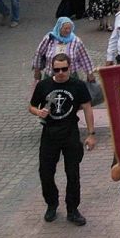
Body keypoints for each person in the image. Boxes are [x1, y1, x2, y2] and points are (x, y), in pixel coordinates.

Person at [29, 52, 96, 225]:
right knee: (45, 172)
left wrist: (90, 134)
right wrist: (38, 112)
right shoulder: (44, 85)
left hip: (70, 133)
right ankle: (52, 203)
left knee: (73, 173)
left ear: (70, 68)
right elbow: (31, 106)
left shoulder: (78, 85)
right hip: (49, 133)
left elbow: (88, 108)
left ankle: (73, 209)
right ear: (52, 68)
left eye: (64, 69)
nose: (60, 73)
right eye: (57, 69)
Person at [32, 17, 96, 82]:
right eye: (65, 28)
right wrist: (37, 70)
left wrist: (90, 74)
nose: (68, 31)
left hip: (71, 77)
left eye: (70, 28)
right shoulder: (49, 38)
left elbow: (84, 58)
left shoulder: (76, 41)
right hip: (50, 75)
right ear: (59, 28)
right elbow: (39, 53)